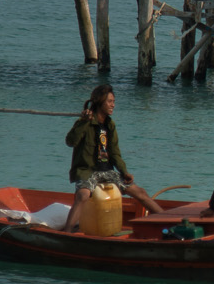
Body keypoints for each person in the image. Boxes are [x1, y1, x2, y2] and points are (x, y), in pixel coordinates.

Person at [63, 85, 160, 231]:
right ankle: (67, 233)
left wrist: (124, 171)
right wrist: (83, 122)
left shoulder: (110, 124)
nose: (113, 105)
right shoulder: (85, 121)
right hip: (87, 171)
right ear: (100, 102)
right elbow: (70, 141)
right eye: (109, 101)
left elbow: (114, 152)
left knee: (140, 193)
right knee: (83, 196)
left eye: (113, 101)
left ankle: (169, 221)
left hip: (107, 171)